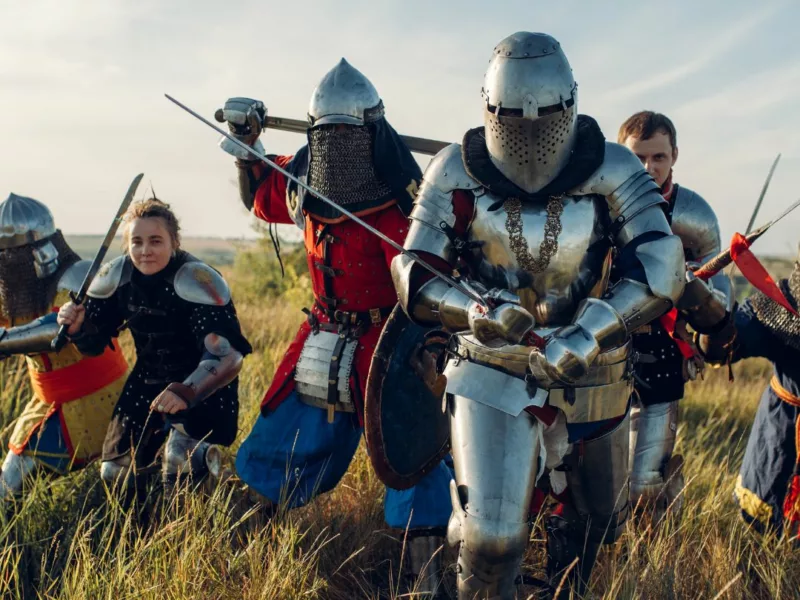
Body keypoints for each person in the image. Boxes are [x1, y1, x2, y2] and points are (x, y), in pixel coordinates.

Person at [391, 31, 690, 598]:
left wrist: (590, 329)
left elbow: (660, 263)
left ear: (569, 106)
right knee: (494, 537)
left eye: (545, 115)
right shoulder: (455, 169)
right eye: (513, 116)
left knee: (597, 521)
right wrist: (471, 310)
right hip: (491, 365)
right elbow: (414, 271)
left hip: (594, 370)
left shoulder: (614, 168)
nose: (530, 130)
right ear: (489, 108)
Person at [217, 59, 453, 595]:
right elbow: (258, 190)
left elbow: (441, 273)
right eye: (329, 139)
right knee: (276, 442)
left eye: (348, 137)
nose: (338, 149)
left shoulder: (411, 199)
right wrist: (245, 138)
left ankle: (421, 576)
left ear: (371, 132)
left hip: (393, 343)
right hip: (323, 335)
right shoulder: (304, 180)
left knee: (413, 456)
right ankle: (248, 558)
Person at [57, 198, 251, 499]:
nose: (145, 250)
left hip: (201, 384)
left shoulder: (198, 279)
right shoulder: (118, 276)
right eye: (137, 241)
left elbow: (227, 355)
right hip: (147, 380)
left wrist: (186, 391)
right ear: (128, 245)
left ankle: (191, 532)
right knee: (116, 471)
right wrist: (78, 328)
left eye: (155, 240)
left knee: (180, 461)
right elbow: (94, 345)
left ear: (174, 242)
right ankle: (137, 534)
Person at [618, 111, 733, 521]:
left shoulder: (693, 214)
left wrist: (692, 292)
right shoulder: (600, 204)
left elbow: (719, 292)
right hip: (602, 352)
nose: (648, 168)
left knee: (645, 482)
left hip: (663, 354)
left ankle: (652, 554)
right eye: (638, 157)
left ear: (674, 156)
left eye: (659, 157)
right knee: (590, 479)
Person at [0, 193, 128, 499]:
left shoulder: (77, 277)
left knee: (10, 485)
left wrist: (5, 341)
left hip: (100, 397)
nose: (12, 265)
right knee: (10, 486)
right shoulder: (9, 291)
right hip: (49, 401)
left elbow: (57, 328)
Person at [700, 249, 800, 537]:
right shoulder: (786, 305)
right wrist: (711, 321)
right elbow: (733, 338)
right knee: (766, 548)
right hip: (783, 449)